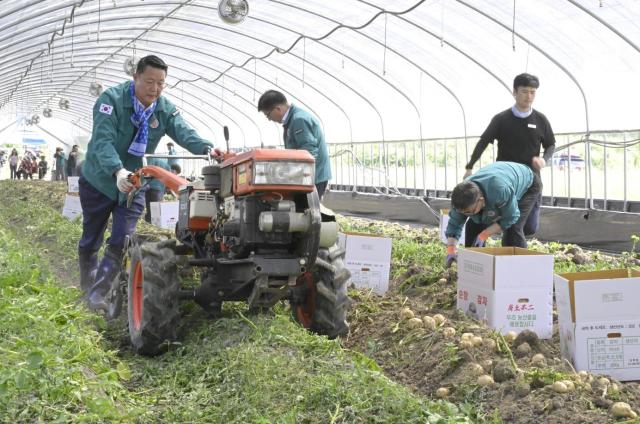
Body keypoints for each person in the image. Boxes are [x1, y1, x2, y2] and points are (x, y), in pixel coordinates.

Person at [78, 55, 216, 311]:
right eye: (149, 81)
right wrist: (117, 171)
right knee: (91, 237)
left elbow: (184, 132)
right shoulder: (111, 100)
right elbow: (102, 142)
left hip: (136, 183)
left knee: (122, 239)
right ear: (135, 77)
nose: (155, 88)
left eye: (161, 83)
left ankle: (98, 295)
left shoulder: (163, 108)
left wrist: (209, 148)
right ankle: (87, 281)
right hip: (101, 180)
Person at [463, 73, 555, 237]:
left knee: (529, 228)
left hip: (530, 182)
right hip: (504, 182)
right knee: (512, 227)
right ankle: (485, 251)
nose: (529, 96)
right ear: (515, 92)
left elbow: (550, 145)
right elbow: (484, 141)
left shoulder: (541, 119)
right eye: (524, 91)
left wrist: (544, 159)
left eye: (533, 92)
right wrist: (470, 166)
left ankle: (503, 233)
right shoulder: (502, 119)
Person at [444, 161, 541, 268]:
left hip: (527, 184)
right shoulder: (460, 199)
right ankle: (475, 267)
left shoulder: (499, 190)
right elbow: (454, 224)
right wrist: (451, 249)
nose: (466, 215)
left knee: (513, 229)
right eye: (463, 212)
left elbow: (511, 217)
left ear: (481, 200)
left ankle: (520, 268)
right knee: (473, 225)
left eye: (469, 212)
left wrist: (484, 235)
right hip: (501, 178)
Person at [257, 90, 331, 200]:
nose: (269, 119)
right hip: (306, 177)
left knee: (304, 211)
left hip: (313, 178)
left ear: (278, 109)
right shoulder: (292, 120)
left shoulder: (298, 120)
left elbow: (309, 152)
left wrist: (293, 176)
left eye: (268, 115)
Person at [143, 158, 171, 223]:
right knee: (157, 207)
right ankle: (156, 222)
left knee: (149, 206)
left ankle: (149, 221)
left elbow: (146, 173)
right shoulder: (167, 165)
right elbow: (168, 177)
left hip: (150, 186)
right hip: (160, 188)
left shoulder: (151, 160)